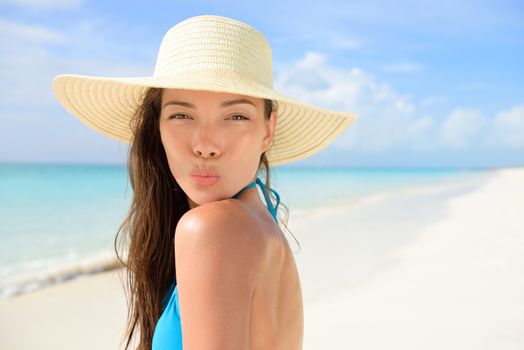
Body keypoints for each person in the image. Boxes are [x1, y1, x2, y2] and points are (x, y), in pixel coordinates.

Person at [52, 14, 358, 350]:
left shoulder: (212, 229)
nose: (205, 144)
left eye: (236, 116)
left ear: (268, 129)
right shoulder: (260, 217)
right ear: (157, 126)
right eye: (182, 115)